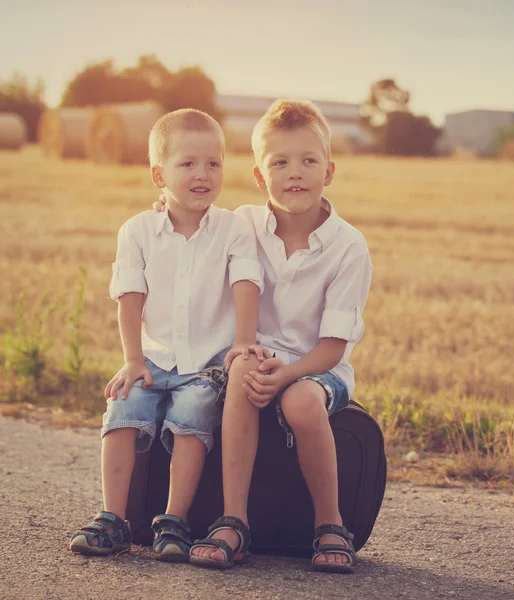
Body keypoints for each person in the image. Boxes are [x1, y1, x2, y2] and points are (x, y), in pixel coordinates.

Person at [186, 99, 372, 573]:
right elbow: (190, 221)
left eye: (309, 161)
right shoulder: (241, 224)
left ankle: (330, 524)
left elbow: (333, 347)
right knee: (246, 366)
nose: (296, 172)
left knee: (301, 403)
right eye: (280, 162)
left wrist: (289, 373)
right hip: (257, 353)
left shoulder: (348, 246)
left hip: (317, 367)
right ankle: (234, 521)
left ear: (329, 171)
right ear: (258, 174)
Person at [69, 108, 263, 562]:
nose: (203, 174)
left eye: (213, 163)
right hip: (153, 357)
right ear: (159, 174)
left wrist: (243, 342)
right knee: (124, 403)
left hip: (207, 365)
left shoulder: (234, 229)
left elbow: (246, 285)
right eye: (188, 164)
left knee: (193, 409)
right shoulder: (137, 231)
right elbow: (130, 297)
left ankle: (173, 521)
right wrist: (133, 359)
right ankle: (112, 519)